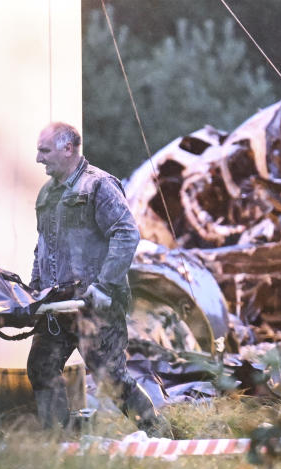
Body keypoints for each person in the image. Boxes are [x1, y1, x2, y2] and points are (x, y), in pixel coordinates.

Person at [28, 122, 169, 435]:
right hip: (58, 306)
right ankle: (61, 438)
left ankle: (156, 432)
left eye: (44, 151)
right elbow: (42, 245)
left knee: (109, 375)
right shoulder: (47, 194)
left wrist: (105, 285)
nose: (39, 159)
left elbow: (126, 233)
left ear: (69, 149)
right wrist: (34, 291)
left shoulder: (98, 186)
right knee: (40, 367)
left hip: (96, 304)